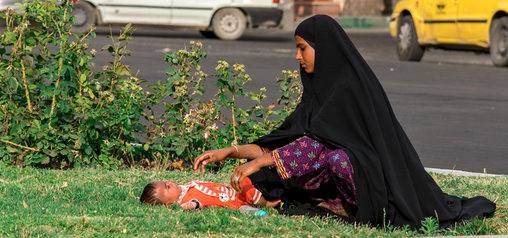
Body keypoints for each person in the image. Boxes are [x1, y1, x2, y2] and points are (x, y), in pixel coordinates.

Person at [193, 15, 496, 229]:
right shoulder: (318, 93)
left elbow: (315, 144)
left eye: (303, 48)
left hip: (373, 184)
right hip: (334, 177)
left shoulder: (349, 88)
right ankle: (328, 200)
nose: (297, 56)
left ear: (323, 48)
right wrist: (229, 153)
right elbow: (284, 140)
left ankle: (349, 207)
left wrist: (259, 163)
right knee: (272, 171)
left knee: (334, 156)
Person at [139, 176, 280, 210]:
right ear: (168, 204)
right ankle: (266, 203)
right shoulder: (185, 200)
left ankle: (269, 189)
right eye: (167, 187)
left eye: (165, 182)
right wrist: (192, 205)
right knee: (246, 188)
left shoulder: (185, 188)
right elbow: (197, 203)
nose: (169, 183)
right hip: (235, 201)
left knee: (243, 179)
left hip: (231, 191)